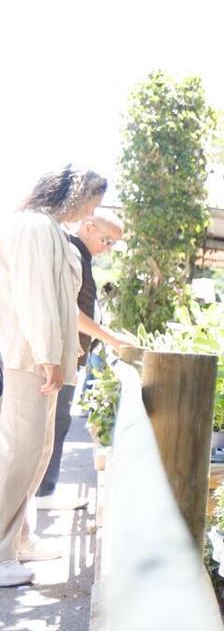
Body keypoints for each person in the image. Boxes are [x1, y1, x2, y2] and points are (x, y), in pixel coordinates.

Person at [0, 166, 108, 587]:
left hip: (43, 358)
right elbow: (36, 295)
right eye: (91, 203)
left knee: (37, 452)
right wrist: (48, 355)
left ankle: (18, 540)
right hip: (30, 359)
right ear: (75, 195)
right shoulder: (33, 227)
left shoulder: (46, 228)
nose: (91, 213)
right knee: (21, 453)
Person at [35, 214, 135, 503]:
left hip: (68, 357)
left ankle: (43, 493)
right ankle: (43, 494)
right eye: (107, 240)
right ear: (89, 227)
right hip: (58, 358)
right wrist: (113, 339)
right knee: (51, 427)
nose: (108, 247)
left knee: (56, 425)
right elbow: (72, 313)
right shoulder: (74, 253)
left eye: (113, 243)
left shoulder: (81, 256)